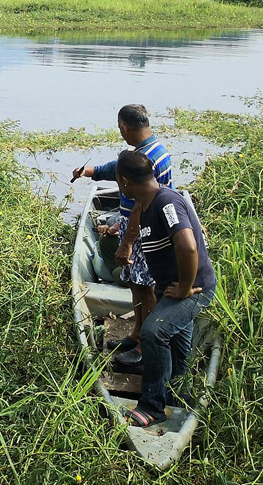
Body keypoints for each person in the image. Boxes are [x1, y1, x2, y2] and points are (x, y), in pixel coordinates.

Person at [112, 150, 215, 427]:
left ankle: (153, 406)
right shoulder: (145, 202)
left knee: (154, 331)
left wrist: (184, 287)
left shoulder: (166, 203)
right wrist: (128, 242)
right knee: (179, 346)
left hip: (195, 289)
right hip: (170, 286)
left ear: (124, 181)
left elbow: (188, 245)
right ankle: (175, 395)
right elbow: (135, 215)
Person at [72, 104, 172, 366]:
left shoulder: (147, 159)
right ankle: (137, 333)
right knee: (137, 287)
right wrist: (89, 171)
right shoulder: (152, 150)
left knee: (146, 289)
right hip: (135, 231)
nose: (121, 133)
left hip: (142, 234)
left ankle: (144, 347)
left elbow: (141, 205)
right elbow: (115, 169)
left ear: (125, 127)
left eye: (120, 129)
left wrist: (126, 242)